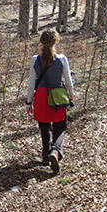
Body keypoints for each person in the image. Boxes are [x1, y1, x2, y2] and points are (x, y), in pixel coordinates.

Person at [26, 30, 74, 174]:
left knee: (44, 126)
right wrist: (70, 95)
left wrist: (29, 102)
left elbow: (31, 84)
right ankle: (56, 151)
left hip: (41, 96)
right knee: (60, 126)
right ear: (55, 42)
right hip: (57, 96)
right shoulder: (62, 59)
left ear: (41, 42)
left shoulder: (34, 59)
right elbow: (68, 82)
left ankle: (46, 155)